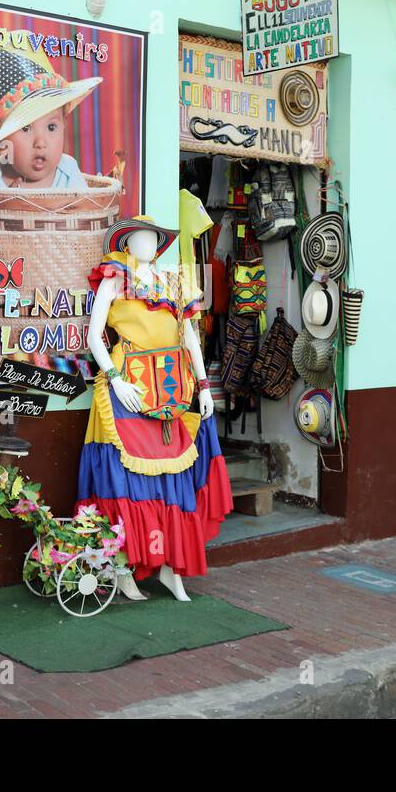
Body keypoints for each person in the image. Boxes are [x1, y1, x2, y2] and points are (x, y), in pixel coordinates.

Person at [77, 216, 232, 602]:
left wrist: (204, 386)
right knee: (125, 479)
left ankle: (168, 567)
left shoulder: (175, 283)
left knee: (170, 479)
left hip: (171, 392)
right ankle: (122, 567)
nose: (146, 244)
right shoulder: (114, 278)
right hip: (127, 391)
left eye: (152, 238)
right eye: (139, 238)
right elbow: (94, 335)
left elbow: (190, 337)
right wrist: (114, 378)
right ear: (127, 243)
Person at [0, 30, 100, 190]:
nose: (40, 143)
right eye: (25, 128)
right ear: (3, 142)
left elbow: (85, 212)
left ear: (63, 125)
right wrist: (5, 203)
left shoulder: (68, 170)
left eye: (51, 127)